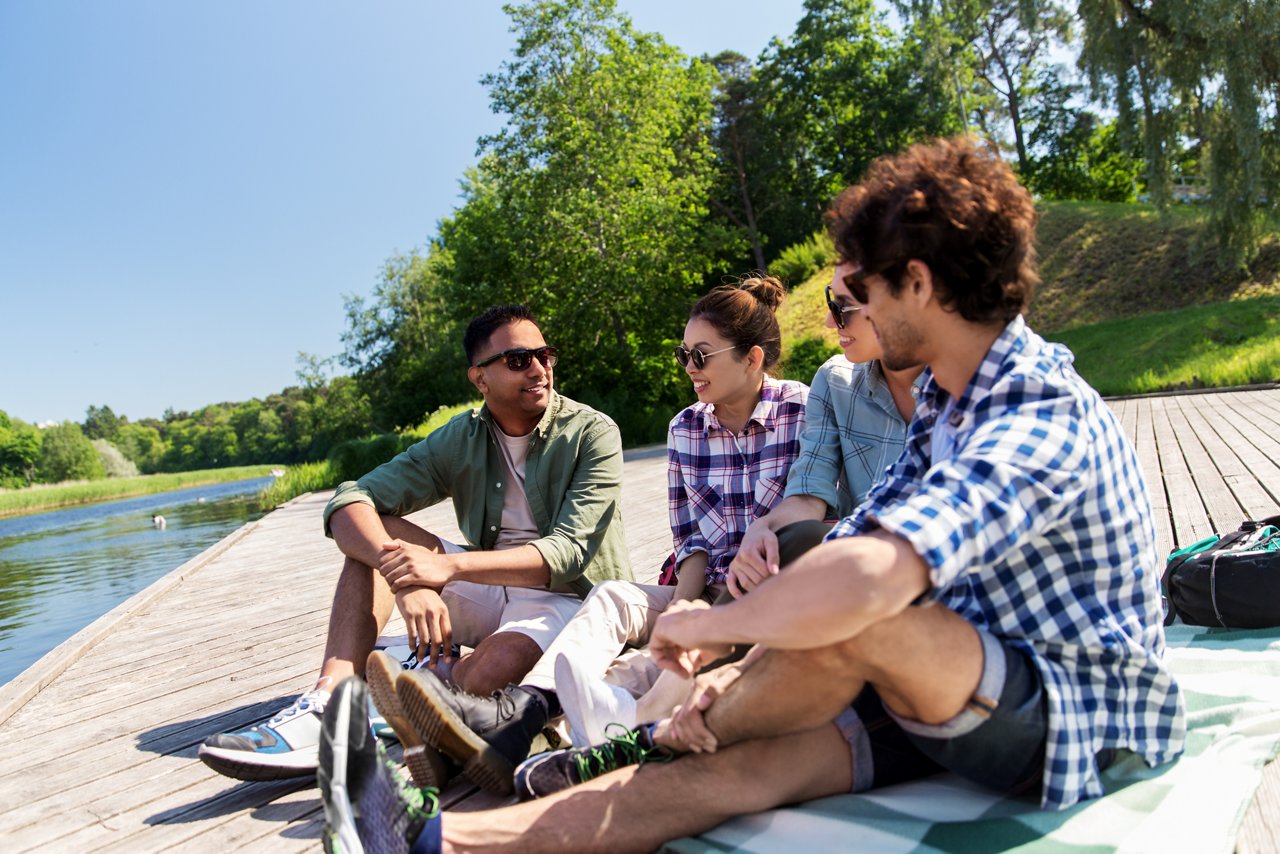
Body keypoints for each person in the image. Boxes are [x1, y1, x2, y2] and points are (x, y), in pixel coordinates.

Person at [316, 135, 1186, 853]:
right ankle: (432, 844)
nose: (853, 314)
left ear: (917, 284)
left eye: (865, 293)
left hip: (1072, 716)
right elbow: (856, 542)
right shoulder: (949, 406)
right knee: (732, 770)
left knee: (857, 615)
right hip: (950, 683)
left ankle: (636, 731)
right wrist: (734, 686)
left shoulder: (1035, 410)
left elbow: (873, 580)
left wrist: (712, 628)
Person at [369, 276, 810, 795]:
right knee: (612, 597)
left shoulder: (804, 412)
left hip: (773, 595)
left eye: (701, 355)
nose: (689, 368)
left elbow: (819, 510)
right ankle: (515, 715)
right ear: (479, 379)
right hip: (705, 591)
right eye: (683, 355)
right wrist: (682, 610)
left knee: (636, 671)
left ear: (753, 358)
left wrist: (709, 616)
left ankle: (518, 731)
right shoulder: (686, 428)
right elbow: (693, 543)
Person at [198, 304, 632, 783]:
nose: (538, 369)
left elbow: (567, 554)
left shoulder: (592, 432)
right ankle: (334, 700)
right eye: (517, 359)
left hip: (570, 597)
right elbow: (349, 501)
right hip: (486, 585)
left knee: (493, 670)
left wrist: (444, 571)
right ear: (479, 379)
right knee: (370, 538)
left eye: (544, 355)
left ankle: (402, 713)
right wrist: (406, 579)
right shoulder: (461, 437)